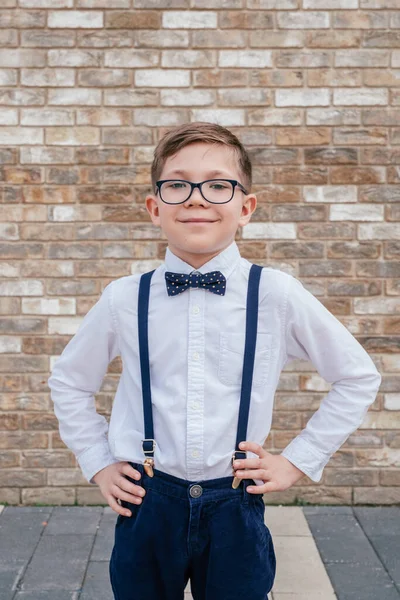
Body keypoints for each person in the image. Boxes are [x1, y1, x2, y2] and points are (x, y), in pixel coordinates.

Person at [47, 121, 382, 600]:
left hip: (237, 504)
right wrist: (98, 461)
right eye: (177, 184)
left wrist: (297, 461)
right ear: (154, 207)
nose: (196, 198)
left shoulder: (276, 294)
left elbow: (356, 376)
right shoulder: (123, 298)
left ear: (245, 208)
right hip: (148, 500)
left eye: (218, 185)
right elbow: (70, 381)